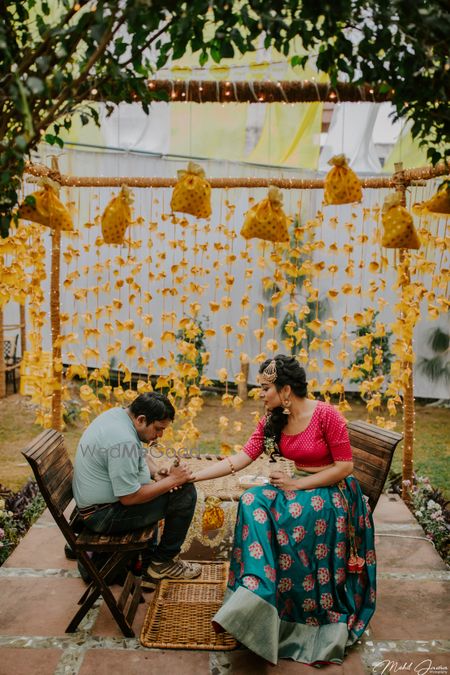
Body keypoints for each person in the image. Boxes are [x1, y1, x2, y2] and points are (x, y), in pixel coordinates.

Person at [193, 355, 376, 666]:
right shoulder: (273, 419)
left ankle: (300, 622)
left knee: (296, 515)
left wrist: (296, 485)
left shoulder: (327, 415)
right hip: (294, 485)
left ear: (286, 389)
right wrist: (192, 476)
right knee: (253, 500)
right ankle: (256, 591)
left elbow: (345, 466)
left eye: (265, 388)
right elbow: (240, 459)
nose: (261, 394)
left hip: (331, 491)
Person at [72, 392, 201, 589]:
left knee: (171, 488)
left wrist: (157, 473)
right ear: (141, 419)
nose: (160, 435)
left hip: (97, 507)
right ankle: (162, 563)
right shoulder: (123, 440)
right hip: (102, 516)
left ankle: (149, 561)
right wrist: (172, 480)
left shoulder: (119, 417)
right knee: (185, 493)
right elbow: (130, 498)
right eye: (158, 429)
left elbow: (139, 454)